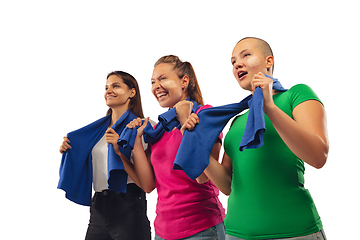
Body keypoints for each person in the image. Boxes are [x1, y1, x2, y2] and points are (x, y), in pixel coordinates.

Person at [187, 37, 328, 240]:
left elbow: (318, 156)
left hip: (294, 232)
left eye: (246, 55)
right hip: (236, 234)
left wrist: (269, 107)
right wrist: (197, 142)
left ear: (269, 61)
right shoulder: (237, 122)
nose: (237, 64)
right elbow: (228, 185)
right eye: (233, 61)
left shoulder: (296, 95)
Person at [126, 55, 226, 240]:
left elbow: (202, 177)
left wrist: (183, 123)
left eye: (163, 78)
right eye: (153, 81)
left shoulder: (204, 115)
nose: (156, 86)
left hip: (201, 229)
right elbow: (148, 186)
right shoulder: (159, 129)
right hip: (163, 232)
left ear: (184, 81)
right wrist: (137, 142)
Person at [58, 71, 151, 240]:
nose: (109, 90)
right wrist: (71, 149)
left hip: (129, 203)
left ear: (132, 92)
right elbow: (89, 162)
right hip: (99, 205)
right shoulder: (97, 131)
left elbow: (148, 178)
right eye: (107, 87)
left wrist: (120, 147)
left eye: (116, 86)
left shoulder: (144, 127)